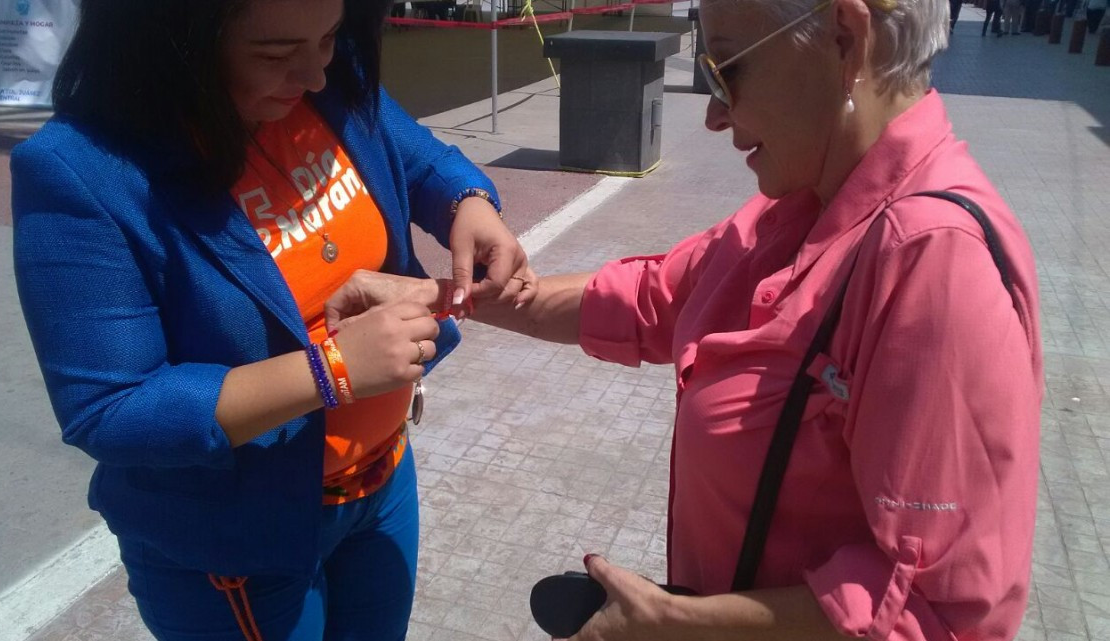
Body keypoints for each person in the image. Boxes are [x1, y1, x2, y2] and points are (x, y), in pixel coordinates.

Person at [340, 0, 1044, 639]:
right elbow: (648, 298)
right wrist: (436, 297)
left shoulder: (935, 264)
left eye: (727, 67)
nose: (712, 113)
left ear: (844, 37)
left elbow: (942, 611)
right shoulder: (807, 203)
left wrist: (677, 622)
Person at [10, 0, 534, 639]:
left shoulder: (332, 80)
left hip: (382, 478)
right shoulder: (84, 172)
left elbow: (417, 156)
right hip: (241, 534)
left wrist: (468, 203)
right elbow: (111, 409)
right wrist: (333, 369)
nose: (313, 74)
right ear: (173, 39)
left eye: (331, 36)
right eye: (274, 54)